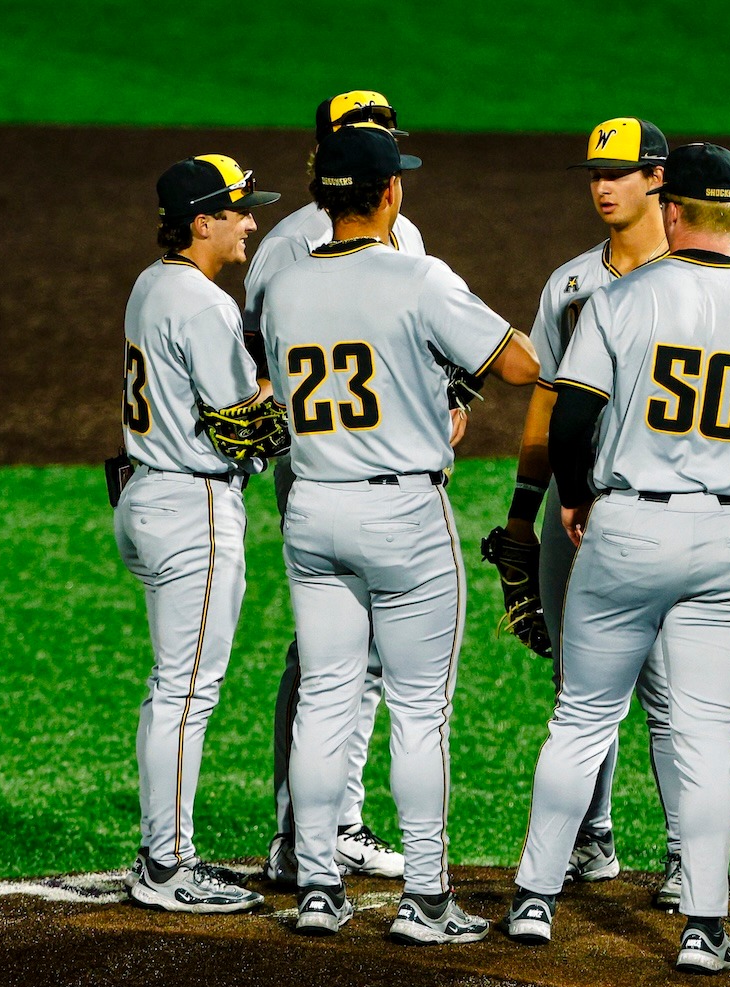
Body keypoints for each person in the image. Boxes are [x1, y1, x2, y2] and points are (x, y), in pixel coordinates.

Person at [504, 144, 730, 973]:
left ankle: (533, 903)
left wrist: (577, 497)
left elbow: (573, 421)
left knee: (583, 716)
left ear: (674, 209)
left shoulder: (620, 300)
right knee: (706, 733)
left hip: (626, 527)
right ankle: (701, 926)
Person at [259, 125, 539, 942]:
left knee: (325, 699)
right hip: (401, 515)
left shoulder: (284, 287)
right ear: (388, 194)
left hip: (313, 511)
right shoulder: (420, 276)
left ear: (323, 197)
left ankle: (316, 885)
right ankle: (424, 898)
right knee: (420, 710)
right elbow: (517, 366)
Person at [493, 117, 685, 907]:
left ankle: (682, 859)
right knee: (580, 687)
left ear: (658, 180)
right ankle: (591, 840)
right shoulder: (570, 284)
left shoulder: (696, 278)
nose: (603, 187)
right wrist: (522, 511)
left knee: (672, 695)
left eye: (621, 173)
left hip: (667, 511)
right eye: (594, 174)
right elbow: (544, 400)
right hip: (578, 512)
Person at [247, 92, 429, 888]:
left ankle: (333, 828)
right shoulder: (289, 246)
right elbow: (259, 369)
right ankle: (304, 831)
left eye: (385, 137)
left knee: (371, 660)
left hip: (391, 467)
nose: (380, 152)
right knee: (329, 657)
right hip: (328, 469)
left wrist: (446, 401)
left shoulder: (406, 233)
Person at [116, 155, 284, 913]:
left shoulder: (152, 286)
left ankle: (162, 853)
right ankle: (167, 864)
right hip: (194, 508)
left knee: (171, 690)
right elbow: (244, 425)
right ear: (201, 222)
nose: (252, 221)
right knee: (187, 691)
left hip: (147, 498)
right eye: (239, 210)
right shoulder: (204, 305)